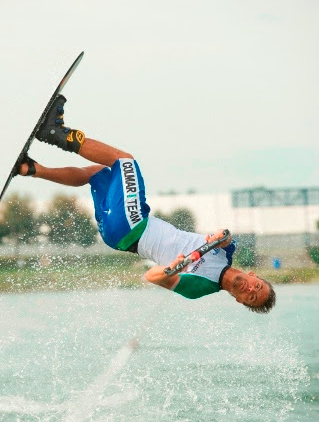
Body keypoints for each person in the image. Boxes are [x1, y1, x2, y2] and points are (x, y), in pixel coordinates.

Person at [18, 95, 276, 314]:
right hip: (121, 233)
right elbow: (225, 238)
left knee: (124, 160)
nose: (249, 290)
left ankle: (55, 132)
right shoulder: (226, 253)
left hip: (132, 228)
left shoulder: (201, 287)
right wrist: (219, 237)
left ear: (239, 301)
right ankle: (32, 169)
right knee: (96, 172)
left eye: (251, 297)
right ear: (254, 275)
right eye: (257, 287)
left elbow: (151, 277)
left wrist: (171, 267)